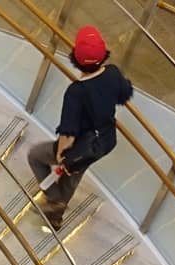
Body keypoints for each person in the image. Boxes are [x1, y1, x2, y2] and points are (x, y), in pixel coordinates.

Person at [25, 26, 133, 231]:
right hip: (105, 142)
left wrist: (61, 155)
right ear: (103, 56)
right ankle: (55, 216)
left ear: (76, 59)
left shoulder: (76, 92)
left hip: (81, 144)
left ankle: (54, 201)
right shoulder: (112, 74)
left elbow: (69, 133)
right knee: (74, 173)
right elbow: (124, 94)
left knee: (36, 156)